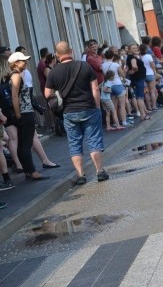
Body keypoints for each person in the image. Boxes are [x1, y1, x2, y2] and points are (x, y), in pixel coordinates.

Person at [45, 42, 109, 185]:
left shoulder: (54, 71)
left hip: (69, 111)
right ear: (71, 51)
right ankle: (100, 171)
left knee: (74, 143)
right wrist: (97, 106)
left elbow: (47, 94)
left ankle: (80, 175)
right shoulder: (84, 66)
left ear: (57, 54)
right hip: (89, 108)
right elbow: (95, 89)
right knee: (94, 141)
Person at [5, 52, 45, 181]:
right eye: (23, 61)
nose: (26, 63)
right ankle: (31, 171)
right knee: (26, 143)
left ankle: (28, 170)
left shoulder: (13, 75)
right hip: (24, 113)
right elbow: (14, 96)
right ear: (15, 63)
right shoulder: (16, 76)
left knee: (23, 143)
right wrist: (18, 115)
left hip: (24, 112)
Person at [125, 44, 149, 121]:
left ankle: (143, 114)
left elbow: (128, 67)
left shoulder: (132, 57)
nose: (135, 49)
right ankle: (143, 115)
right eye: (133, 48)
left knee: (140, 97)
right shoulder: (132, 58)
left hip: (138, 79)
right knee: (140, 97)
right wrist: (135, 70)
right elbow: (134, 66)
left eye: (136, 48)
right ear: (129, 50)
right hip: (138, 79)